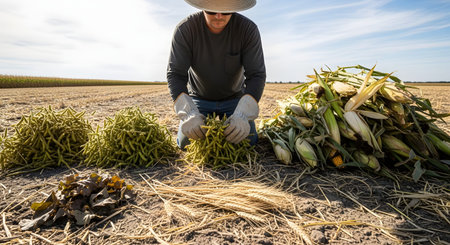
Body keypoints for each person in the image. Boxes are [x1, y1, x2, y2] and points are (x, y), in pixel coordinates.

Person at [167, 0, 266, 150]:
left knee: (248, 141)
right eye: (212, 10)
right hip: (199, 98)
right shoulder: (185, 29)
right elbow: (175, 74)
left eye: (226, 11)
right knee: (186, 142)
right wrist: (188, 113)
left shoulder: (248, 29)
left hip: (234, 99)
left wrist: (243, 114)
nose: (219, 16)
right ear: (202, 7)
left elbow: (256, 75)